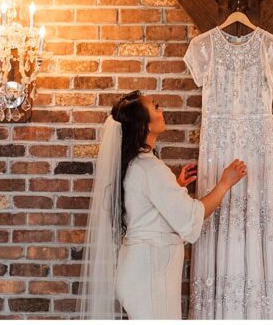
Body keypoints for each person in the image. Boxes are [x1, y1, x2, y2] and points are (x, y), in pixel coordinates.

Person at [79, 90, 247, 319]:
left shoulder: (135, 164)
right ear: (145, 125)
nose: (162, 110)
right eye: (156, 107)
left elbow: (144, 207)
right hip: (150, 276)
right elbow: (191, 217)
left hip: (138, 272)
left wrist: (175, 186)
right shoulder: (150, 168)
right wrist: (225, 184)